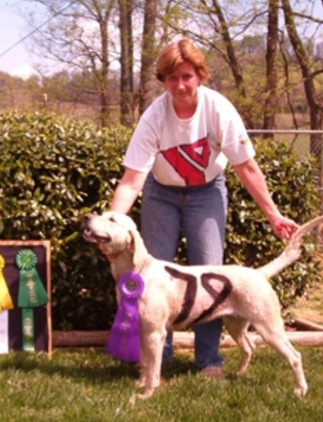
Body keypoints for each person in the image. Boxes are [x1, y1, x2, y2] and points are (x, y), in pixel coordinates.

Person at [108, 38, 299, 378]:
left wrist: (273, 214)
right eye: (172, 78)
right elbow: (132, 180)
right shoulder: (153, 116)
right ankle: (156, 360)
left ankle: (209, 360)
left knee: (212, 277)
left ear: (200, 75)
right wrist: (113, 227)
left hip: (207, 192)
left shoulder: (219, 110)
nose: (180, 85)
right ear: (163, 81)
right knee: (151, 278)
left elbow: (246, 167)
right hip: (161, 193)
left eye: (186, 76)